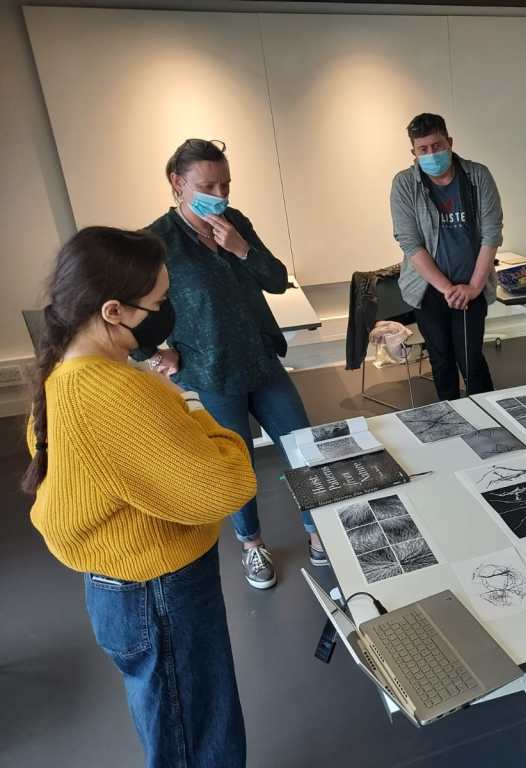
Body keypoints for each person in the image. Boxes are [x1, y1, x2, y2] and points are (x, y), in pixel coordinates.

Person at [23, 227, 256, 767]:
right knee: (194, 731)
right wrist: (193, 407)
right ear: (113, 311)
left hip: (123, 587)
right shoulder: (113, 393)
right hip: (161, 591)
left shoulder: (64, 374)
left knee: (173, 719)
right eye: (158, 302)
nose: (167, 311)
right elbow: (226, 485)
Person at [139, 138, 321, 590]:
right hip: (213, 370)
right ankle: (251, 543)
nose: (219, 195)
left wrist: (242, 249)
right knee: (237, 465)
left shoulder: (234, 222)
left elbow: (276, 280)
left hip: (261, 358)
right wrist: (153, 354)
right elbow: (125, 308)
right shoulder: (156, 241)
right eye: (207, 186)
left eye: (226, 184)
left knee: (304, 446)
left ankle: (318, 530)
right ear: (177, 183)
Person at [390, 113, 503, 402]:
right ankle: (451, 415)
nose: (431, 154)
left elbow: (491, 234)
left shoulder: (478, 176)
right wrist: (447, 289)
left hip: (471, 285)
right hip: (428, 289)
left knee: (471, 358)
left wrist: (473, 287)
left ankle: (490, 417)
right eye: (423, 149)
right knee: (440, 358)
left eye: (437, 146)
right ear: (414, 152)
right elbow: (410, 243)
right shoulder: (404, 184)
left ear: (450, 142)